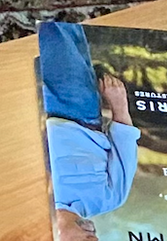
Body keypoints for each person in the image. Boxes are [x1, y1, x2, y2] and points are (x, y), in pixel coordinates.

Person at [39, 22, 140, 220]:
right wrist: (118, 103)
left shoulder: (33, 210)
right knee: (57, 32)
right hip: (75, 108)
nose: (92, 237)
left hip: (24, 117)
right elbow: (125, 146)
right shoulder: (110, 199)